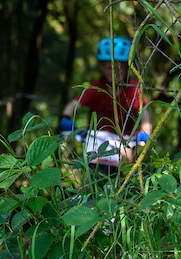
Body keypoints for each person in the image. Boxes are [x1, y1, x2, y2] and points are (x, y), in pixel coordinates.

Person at [59, 36, 152, 175]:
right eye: (110, 68)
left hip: (124, 141)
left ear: (127, 67)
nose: (115, 72)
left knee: (126, 172)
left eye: (120, 68)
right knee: (90, 178)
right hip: (97, 140)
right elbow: (73, 105)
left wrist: (145, 133)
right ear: (102, 67)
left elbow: (144, 114)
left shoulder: (133, 89)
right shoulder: (96, 87)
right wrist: (66, 118)